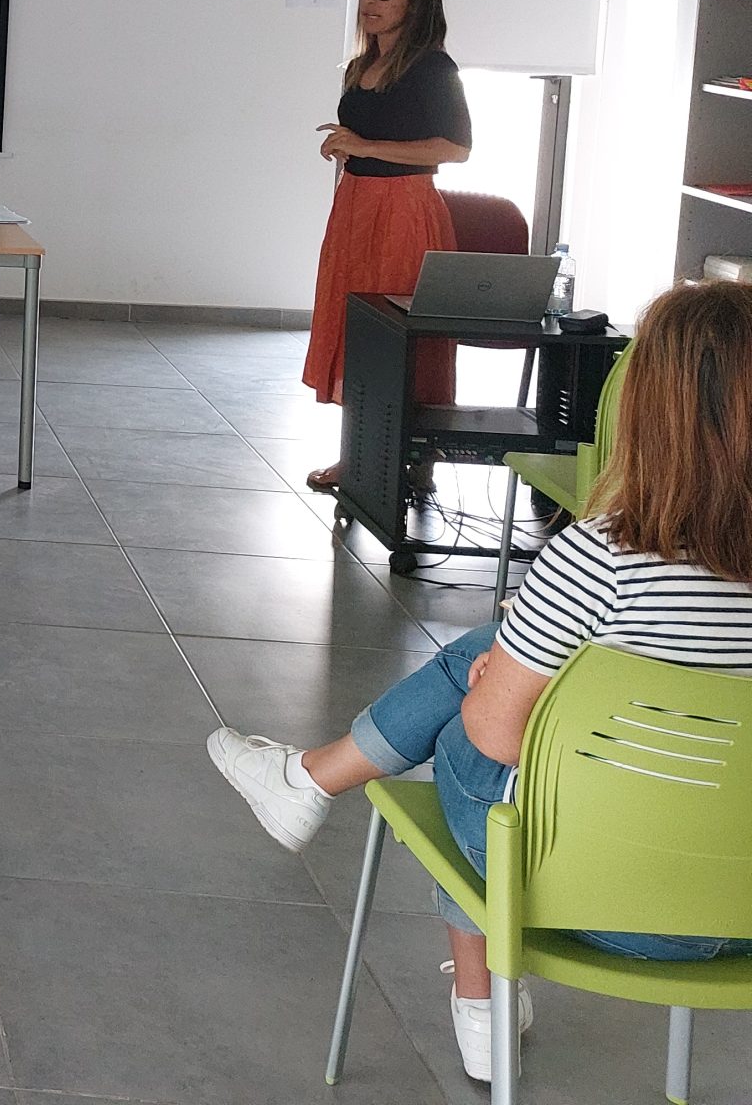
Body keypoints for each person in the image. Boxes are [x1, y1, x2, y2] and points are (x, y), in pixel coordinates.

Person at [210, 281, 752, 1081]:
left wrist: (497, 688)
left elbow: (494, 739)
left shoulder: (600, 558)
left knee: (468, 729)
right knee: (497, 662)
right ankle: (310, 781)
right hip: (739, 913)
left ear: (645, 407)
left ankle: (479, 999)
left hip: (595, 896)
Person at [300, 0, 472, 493]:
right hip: (356, 204)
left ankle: (416, 456)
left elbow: (455, 148)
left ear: (415, 1)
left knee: (395, 332)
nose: (370, 1)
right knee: (356, 329)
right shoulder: (361, 66)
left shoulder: (434, 68)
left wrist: (367, 145)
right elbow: (365, 140)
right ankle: (359, 455)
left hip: (404, 208)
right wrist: (345, 148)